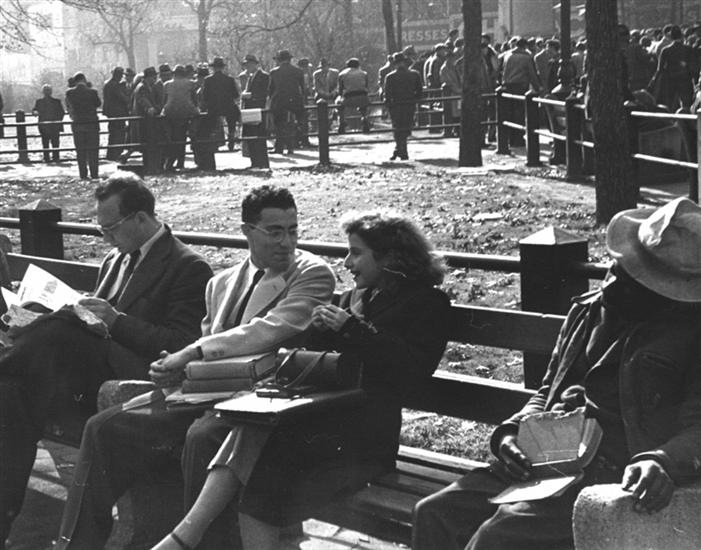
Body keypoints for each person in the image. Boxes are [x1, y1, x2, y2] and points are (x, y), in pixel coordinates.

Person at [149, 210, 450, 550]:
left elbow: (411, 371)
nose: (347, 263)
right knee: (254, 454)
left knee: (262, 476)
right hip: (327, 421)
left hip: (366, 439)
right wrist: (322, 331)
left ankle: (186, 535)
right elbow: (324, 360)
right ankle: (188, 534)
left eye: (356, 253)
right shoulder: (361, 297)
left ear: (389, 257)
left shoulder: (428, 302)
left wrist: (352, 329)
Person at [55, 185, 335, 549]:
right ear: (247, 231)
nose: (287, 242)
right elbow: (205, 345)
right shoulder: (221, 283)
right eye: (275, 231)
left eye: (293, 230)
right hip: (204, 394)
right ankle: (75, 545)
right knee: (104, 428)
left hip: (260, 405)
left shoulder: (312, 272)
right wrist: (176, 370)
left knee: (201, 439)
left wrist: (191, 353)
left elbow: (270, 329)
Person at [412, 196, 701, 550]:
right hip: (547, 456)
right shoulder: (586, 312)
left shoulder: (691, 335)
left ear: (667, 293)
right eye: (615, 269)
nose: (610, 286)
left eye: (633, 282)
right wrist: (512, 433)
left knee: (496, 539)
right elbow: (547, 390)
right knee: (434, 512)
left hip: (611, 474)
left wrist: (662, 461)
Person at [0, 172, 212, 547]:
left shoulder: (187, 265)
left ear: (141, 218)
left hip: (135, 376)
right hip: (83, 373)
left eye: (110, 228)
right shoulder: (117, 258)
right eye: (101, 229)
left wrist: (116, 321)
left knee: (57, 332)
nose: (105, 238)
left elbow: (182, 342)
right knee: (9, 395)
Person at [384, 52, 422, 161]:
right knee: (406, 127)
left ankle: (400, 150)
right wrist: (414, 100)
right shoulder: (415, 74)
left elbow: (387, 94)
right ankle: (401, 150)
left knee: (397, 128)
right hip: (409, 104)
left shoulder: (390, 77)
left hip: (396, 105)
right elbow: (419, 91)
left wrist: (388, 105)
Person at [162, 64, 199, 172]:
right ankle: (181, 162)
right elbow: (194, 99)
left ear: (174, 74)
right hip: (187, 112)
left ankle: (172, 162)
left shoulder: (167, 84)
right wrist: (195, 109)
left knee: (174, 138)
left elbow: (164, 100)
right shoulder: (191, 83)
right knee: (185, 137)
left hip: (170, 113)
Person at [268, 49, 305, 155]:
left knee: (279, 125)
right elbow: (302, 88)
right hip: (294, 101)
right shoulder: (298, 71)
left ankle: (279, 147)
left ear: (279, 60)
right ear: (289, 59)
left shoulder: (274, 72)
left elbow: (271, 89)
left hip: (279, 101)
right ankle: (291, 146)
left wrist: (272, 98)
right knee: (293, 124)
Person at [65, 72, 101, 179]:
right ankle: (94, 174)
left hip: (78, 125)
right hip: (92, 124)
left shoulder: (69, 93)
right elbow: (98, 104)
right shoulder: (93, 92)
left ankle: (83, 174)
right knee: (93, 151)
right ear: (84, 80)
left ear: (75, 81)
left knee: (80, 151)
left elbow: (69, 105)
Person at [202, 56, 240, 154]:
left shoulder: (208, 80)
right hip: (228, 107)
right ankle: (231, 139)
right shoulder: (230, 79)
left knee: (212, 124)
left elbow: (205, 96)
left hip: (213, 108)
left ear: (213, 68)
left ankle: (214, 143)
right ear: (222, 68)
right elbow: (236, 95)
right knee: (232, 120)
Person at [239, 54, 270, 169]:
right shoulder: (250, 77)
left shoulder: (264, 76)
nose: (246, 67)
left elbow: (264, 93)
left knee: (259, 137)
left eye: (248, 65)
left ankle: (262, 162)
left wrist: (249, 96)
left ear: (254, 64)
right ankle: (255, 162)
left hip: (257, 109)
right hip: (250, 110)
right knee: (251, 137)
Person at [102, 66, 131, 161]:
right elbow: (123, 97)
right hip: (117, 113)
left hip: (111, 113)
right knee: (119, 134)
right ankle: (116, 154)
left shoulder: (107, 84)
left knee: (113, 134)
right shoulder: (115, 85)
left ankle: (111, 155)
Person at [32, 84, 65, 163]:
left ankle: (51, 157)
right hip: (50, 125)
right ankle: (51, 157)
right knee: (50, 142)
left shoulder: (41, 102)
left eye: (48, 90)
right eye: (46, 90)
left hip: (49, 125)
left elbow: (61, 113)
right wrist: (35, 112)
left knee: (50, 142)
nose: (47, 92)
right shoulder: (55, 102)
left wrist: (57, 121)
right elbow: (34, 110)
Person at [337, 57, 370, 134]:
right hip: (363, 97)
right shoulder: (364, 73)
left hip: (349, 98)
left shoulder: (342, 74)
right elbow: (366, 87)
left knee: (338, 103)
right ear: (358, 65)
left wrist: (341, 95)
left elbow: (340, 90)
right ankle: (364, 118)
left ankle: (341, 121)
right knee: (364, 101)